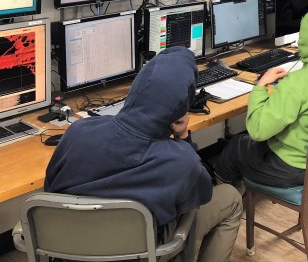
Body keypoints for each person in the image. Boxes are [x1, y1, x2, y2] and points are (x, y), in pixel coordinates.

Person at [44, 47, 242, 262]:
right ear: (181, 107)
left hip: (67, 249)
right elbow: (200, 196)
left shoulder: (78, 131)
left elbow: (50, 186)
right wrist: (183, 138)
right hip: (139, 253)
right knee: (230, 198)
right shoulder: (181, 160)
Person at [214, 9, 308, 186]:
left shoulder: (296, 84)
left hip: (294, 170)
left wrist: (261, 86)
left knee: (237, 146)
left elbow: (258, 131)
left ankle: (227, 197)